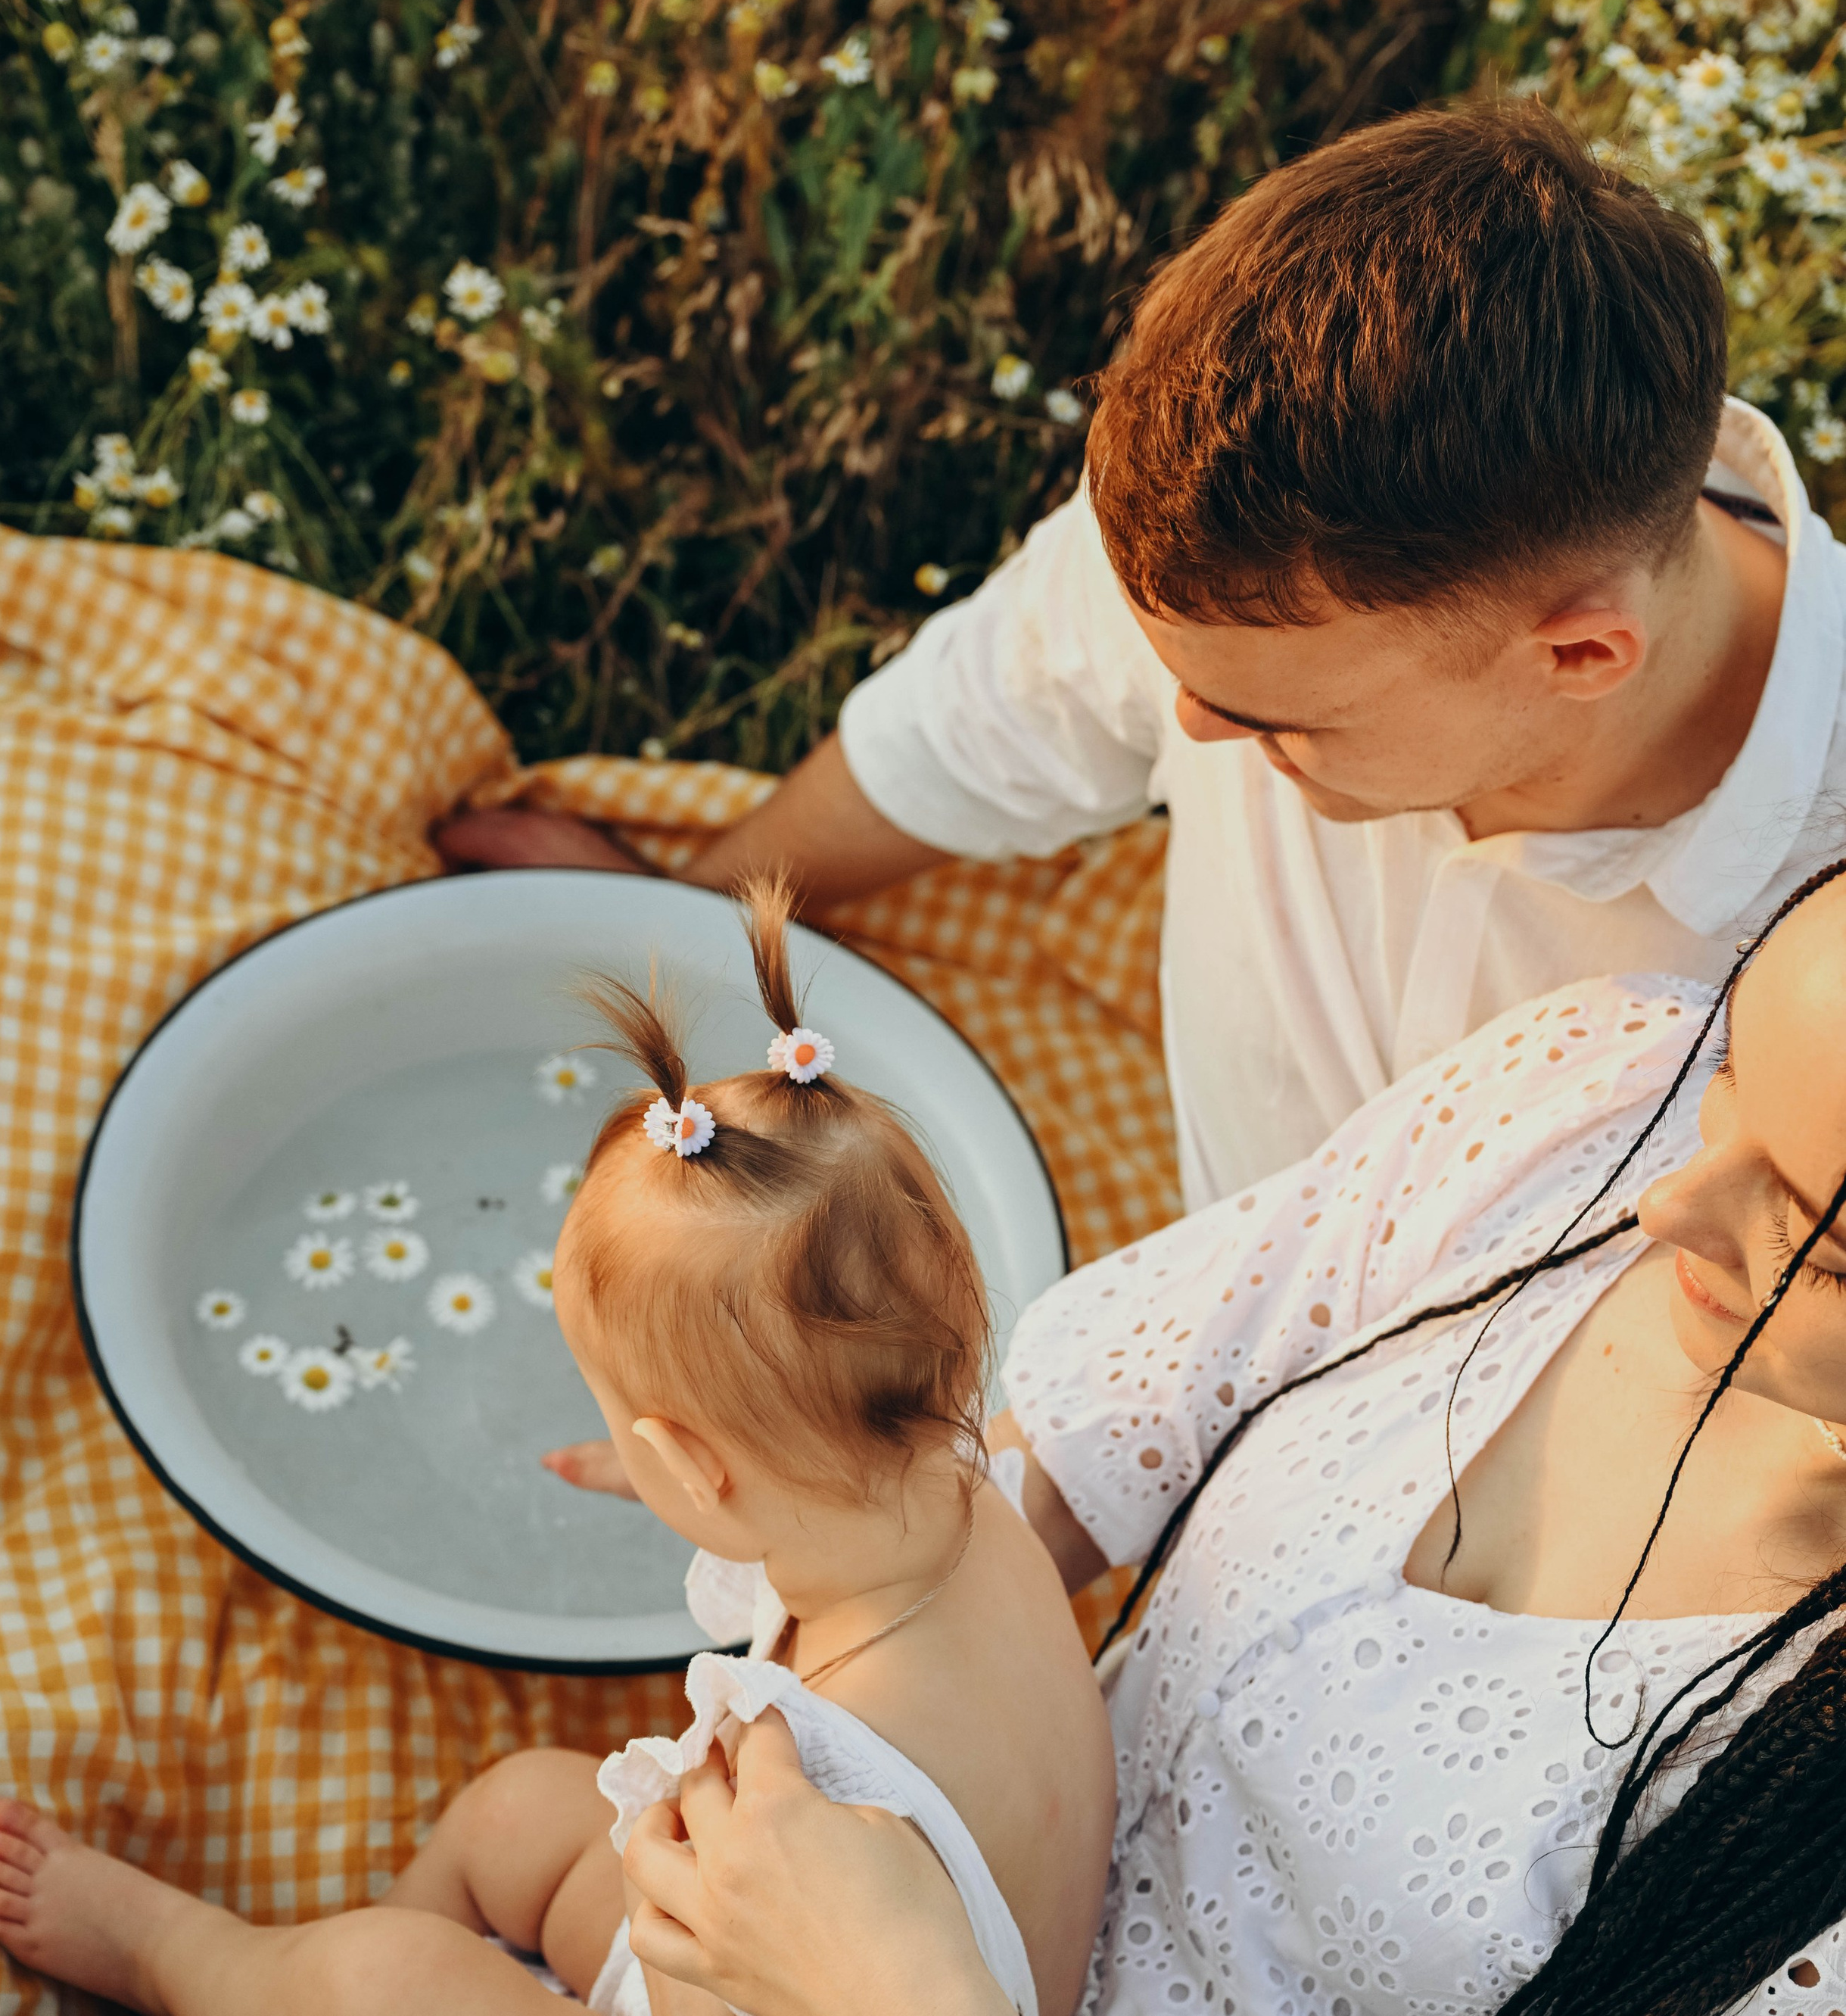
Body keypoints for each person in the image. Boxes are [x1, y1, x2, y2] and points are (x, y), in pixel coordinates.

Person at [0, 877, 1846, 2016]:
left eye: (1810, 1233)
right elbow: (1045, 1445)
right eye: (1728, 1085)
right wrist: (733, 1826)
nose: (1672, 1201)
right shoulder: (1594, 1087)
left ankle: (235, 1986)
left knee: (389, 1986)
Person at [0, 884, 1113, 2016]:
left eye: (628, 1432)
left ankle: (206, 1972)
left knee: (387, 1984)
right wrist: (689, 1470)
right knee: (521, 1809)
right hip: (756, 2001)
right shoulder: (959, 1503)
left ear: (692, 1470)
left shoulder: (845, 1813)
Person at [441, 101, 1846, 1217]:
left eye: (1275, 722)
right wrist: (703, 932)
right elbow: (974, 726)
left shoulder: (1815, 924)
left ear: (1584, 651)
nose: (1188, 727)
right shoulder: (1272, 557)